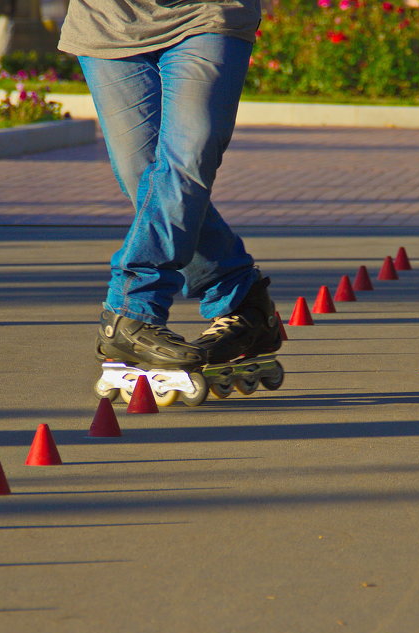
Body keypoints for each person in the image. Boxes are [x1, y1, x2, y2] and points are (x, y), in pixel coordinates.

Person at [58, 0, 281, 369]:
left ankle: (134, 308)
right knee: (143, 176)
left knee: (189, 155)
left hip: (208, 12)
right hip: (108, 19)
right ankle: (241, 300)